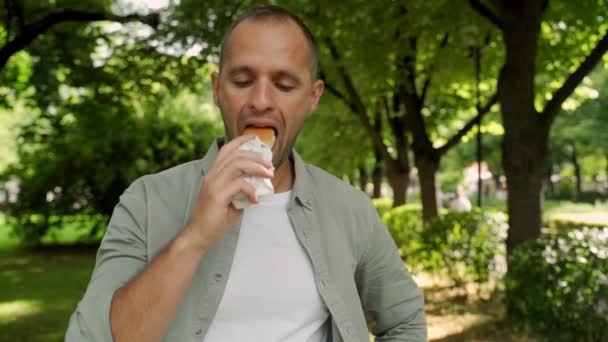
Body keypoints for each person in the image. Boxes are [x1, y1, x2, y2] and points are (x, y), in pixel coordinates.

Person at [65, 5, 426, 342]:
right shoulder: (145, 201)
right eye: (242, 81)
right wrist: (195, 237)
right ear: (217, 88)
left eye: (284, 85)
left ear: (313, 97)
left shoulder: (349, 209)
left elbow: (405, 319)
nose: (262, 100)